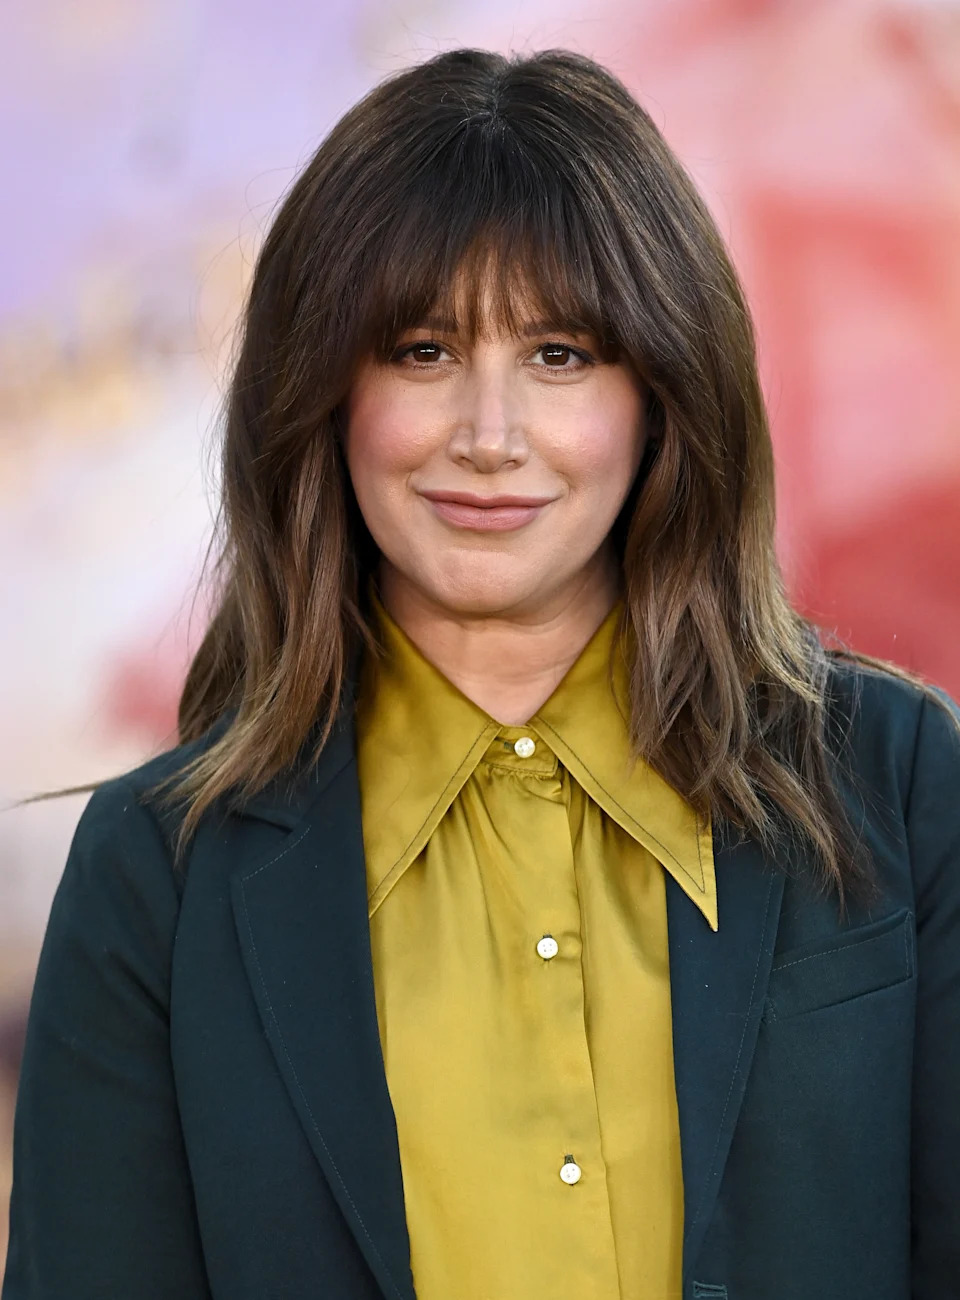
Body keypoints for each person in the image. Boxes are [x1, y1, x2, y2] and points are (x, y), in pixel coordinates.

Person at [3, 45, 959, 1300]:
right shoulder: (158, 877)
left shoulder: (896, 779)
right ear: (326, 392)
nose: (490, 437)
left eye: (561, 354)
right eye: (421, 351)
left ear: (662, 390)